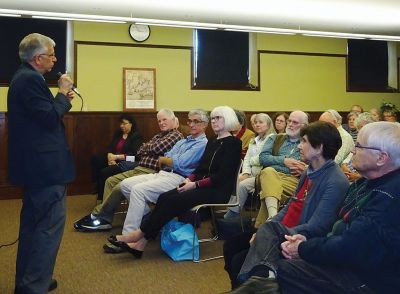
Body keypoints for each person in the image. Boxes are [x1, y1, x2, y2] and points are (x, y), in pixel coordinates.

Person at [231, 121, 400, 294]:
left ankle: (258, 281)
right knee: (246, 249)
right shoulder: (364, 183)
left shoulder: (389, 196)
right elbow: (334, 228)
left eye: (359, 146)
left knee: (281, 269)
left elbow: (347, 245)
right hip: (341, 255)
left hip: (366, 279)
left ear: (381, 158)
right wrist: (303, 242)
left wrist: (303, 248)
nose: (352, 151)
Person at [224, 121, 349, 289]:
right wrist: (264, 232)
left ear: (319, 148)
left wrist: (270, 233)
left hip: (299, 237)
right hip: (284, 229)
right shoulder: (309, 172)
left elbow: (318, 227)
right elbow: (291, 206)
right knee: (231, 246)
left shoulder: (336, 181)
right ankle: (252, 285)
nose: (299, 146)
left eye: (304, 141)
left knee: (240, 259)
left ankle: (257, 284)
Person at [108, 106, 242, 258]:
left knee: (172, 201)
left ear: (229, 119)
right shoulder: (213, 141)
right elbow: (200, 170)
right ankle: (140, 244)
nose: (214, 121)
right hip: (201, 185)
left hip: (217, 191)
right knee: (165, 197)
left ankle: (138, 235)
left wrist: (195, 184)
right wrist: (189, 179)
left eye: (219, 118)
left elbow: (222, 176)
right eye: (213, 118)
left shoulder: (233, 143)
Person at [7, 33, 75, 293]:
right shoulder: (31, 80)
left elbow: (42, 117)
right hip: (45, 171)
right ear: (38, 58)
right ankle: (33, 286)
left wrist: (60, 101)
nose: (55, 59)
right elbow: (48, 119)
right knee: (47, 231)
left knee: (33, 229)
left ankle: (28, 282)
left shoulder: (24, 78)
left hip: (36, 169)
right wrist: (62, 93)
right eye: (52, 54)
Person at [101, 109, 209, 253]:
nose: (192, 124)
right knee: (125, 185)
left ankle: (129, 237)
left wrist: (167, 160)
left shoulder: (202, 143)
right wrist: (167, 160)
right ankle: (148, 219)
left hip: (179, 178)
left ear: (205, 124)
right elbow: (165, 156)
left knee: (138, 191)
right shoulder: (184, 141)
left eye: (197, 121)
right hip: (162, 173)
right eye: (190, 121)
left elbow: (180, 163)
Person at [74, 109, 183, 231]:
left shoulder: (171, 135)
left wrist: (120, 156)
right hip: (139, 166)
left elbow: (145, 151)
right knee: (109, 180)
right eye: (159, 121)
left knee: (117, 184)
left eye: (164, 120)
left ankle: (100, 215)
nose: (122, 126)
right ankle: (105, 217)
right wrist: (111, 156)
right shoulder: (155, 135)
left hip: (148, 169)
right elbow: (141, 150)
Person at [255, 111, 309, 227]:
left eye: (294, 122)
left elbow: (315, 164)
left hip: (293, 180)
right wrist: (284, 161)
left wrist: (306, 169)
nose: (290, 124)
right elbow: (263, 158)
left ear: (304, 126)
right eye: (289, 121)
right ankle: (272, 222)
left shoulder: (307, 143)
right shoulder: (275, 138)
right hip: (270, 176)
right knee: (268, 172)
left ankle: (269, 221)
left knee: (268, 192)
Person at [224, 113, 276, 219]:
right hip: (251, 172)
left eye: (260, 122)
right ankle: (229, 210)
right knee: (233, 179)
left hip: (262, 174)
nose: (257, 125)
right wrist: (246, 172)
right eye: (256, 122)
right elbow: (246, 158)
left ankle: (232, 214)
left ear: (268, 124)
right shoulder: (255, 139)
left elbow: (263, 158)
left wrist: (252, 161)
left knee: (241, 184)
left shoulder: (272, 138)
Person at [91, 114, 143, 200]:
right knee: (96, 159)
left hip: (125, 162)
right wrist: (109, 156)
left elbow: (134, 156)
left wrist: (116, 157)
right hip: (113, 158)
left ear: (131, 124)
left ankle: (103, 198)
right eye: (120, 124)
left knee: (104, 172)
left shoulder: (136, 136)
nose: (121, 126)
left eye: (124, 123)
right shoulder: (118, 133)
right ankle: (97, 185)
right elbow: (110, 147)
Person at [341, 112, 375, 182]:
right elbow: (347, 160)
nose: (360, 131)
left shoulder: (375, 145)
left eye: (362, 127)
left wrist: (357, 176)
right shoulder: (360, 141)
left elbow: (375, 172)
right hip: (351, 176)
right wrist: (344, 165)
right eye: (359, 128)